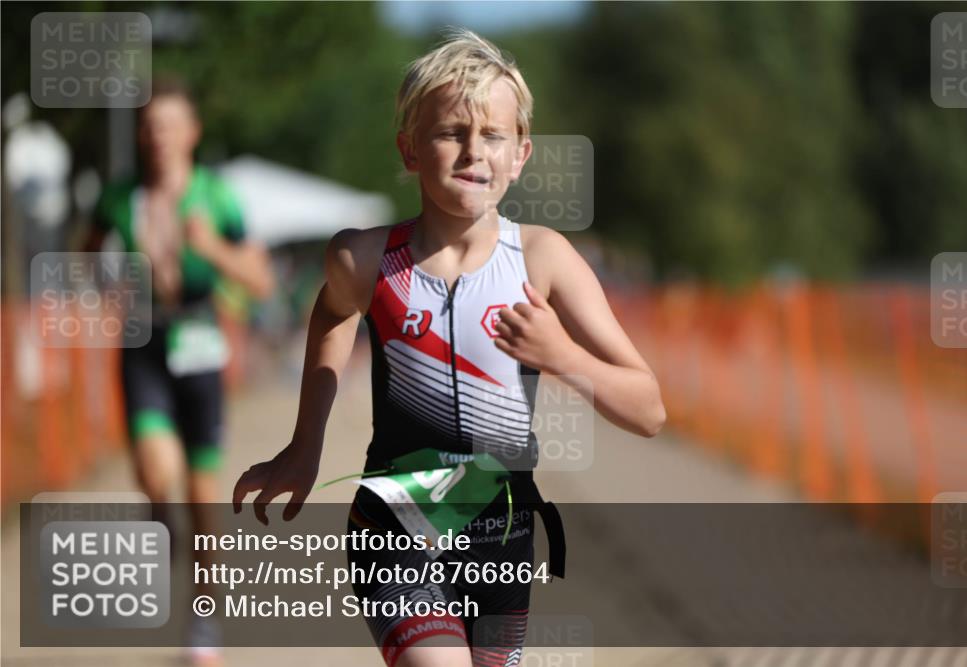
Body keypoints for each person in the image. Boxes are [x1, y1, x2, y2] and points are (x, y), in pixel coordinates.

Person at [233, 29, 664, 667]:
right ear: (409, 149)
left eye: (492, 135)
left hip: (503, 540)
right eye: (449, 133)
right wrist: (305, 447)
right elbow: (330, 312)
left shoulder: (544, 259)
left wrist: (561, 355)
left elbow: (649, 410)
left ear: (521, 154)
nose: (473, 152)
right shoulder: (365, 258)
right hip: (397, 530)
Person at [85, 77, 274, 666]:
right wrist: (109, 283)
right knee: (153, 469)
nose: (159, 136)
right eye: (150, 126)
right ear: (141, 136)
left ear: (191, 133)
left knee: (203, 499)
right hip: (143, 340)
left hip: (200, 343)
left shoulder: (217, 197)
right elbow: (88, 250)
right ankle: (157, 516)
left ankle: (205, 622)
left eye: (170, 125)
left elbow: (261, 280)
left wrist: (212, 249)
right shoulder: (119, 198)